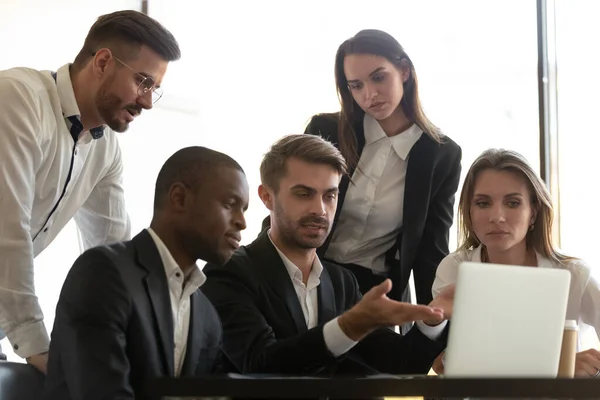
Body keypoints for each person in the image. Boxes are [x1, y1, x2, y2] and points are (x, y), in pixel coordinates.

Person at [0, 10, 180, 371]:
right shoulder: (17, 98)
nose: (146, 101)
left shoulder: (106, 148)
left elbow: (112, 252)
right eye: (142, 82)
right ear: (102, 62)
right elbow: (6, 230)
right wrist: (40, 348)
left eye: (153, 90)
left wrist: (140, 344)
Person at [203, 134, 453, 376]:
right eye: (304, 194)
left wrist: (432, 319)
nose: (320, 209)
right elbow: (259, 363)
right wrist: (348, 327)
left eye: (329, 196)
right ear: (267, 197)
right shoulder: (229, 272)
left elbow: (400, 363)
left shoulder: (341, 282)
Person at [45, 146, 249, 400]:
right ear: (179, 198)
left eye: (244, 210)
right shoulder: (103, 273)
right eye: (231, 204)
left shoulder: (207, 315)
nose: (242, 222)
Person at [300, 29, 462, 308]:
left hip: (373, 291)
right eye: (356, 85)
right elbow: (288, 208)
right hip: (306, 274)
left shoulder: (441, 155)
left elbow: (430, 249)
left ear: (404, 71)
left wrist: (433, 326)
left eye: (378, 77)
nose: (369, 94)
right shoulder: (325, 131)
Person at [431, 148, 600, 378]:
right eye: (483, 203)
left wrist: (587, 369)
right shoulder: (454, 270)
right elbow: (444, 363)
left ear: (533, 213)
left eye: (512, 203)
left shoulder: (573, 274)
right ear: (469, 212)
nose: (497, 216)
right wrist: (559, 364)